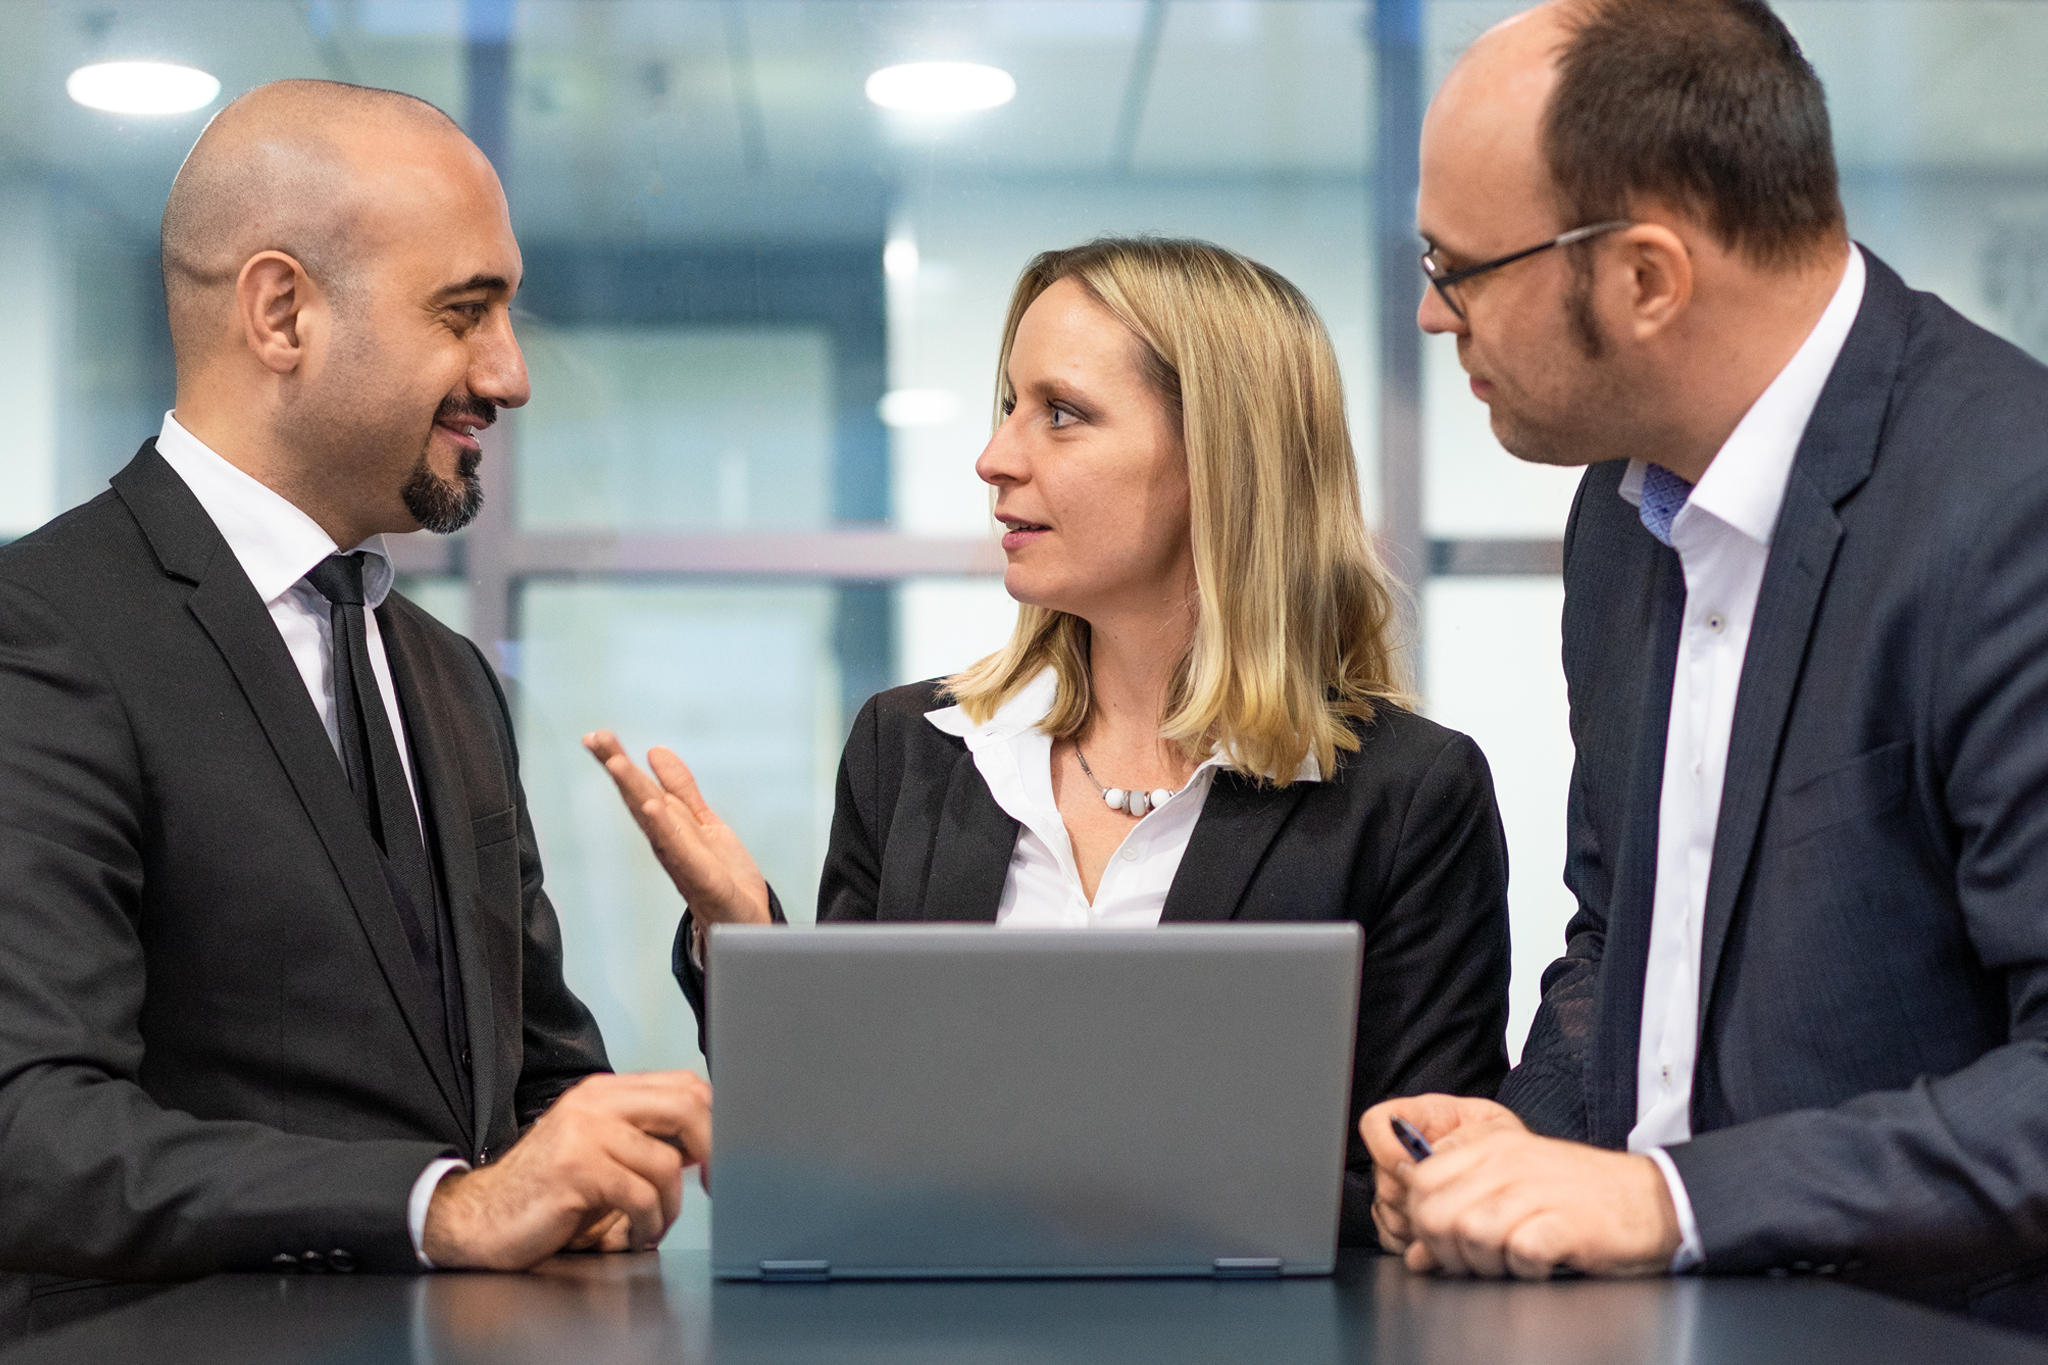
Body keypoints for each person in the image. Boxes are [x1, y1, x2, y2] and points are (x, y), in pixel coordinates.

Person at [586, 237, 1512, 1245]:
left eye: (1059, 414)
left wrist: (1060, 1198)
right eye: (1006, 407)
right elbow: (827, 1152)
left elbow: (1422, 1196)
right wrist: (743, 944)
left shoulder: (1408, 794)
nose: (995, 458)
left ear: (1219, 458)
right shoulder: (912, 752)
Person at [1360, 0, 2048, 1331]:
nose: (1430, 315)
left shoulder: (2007, 509)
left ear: (1646, 278)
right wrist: (1513, 1143)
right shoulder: (1622, 519)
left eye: (1455, 265)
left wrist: (1668, 1201)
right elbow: (1629, 939)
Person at [0, 80, 709, 1337]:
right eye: (465, 312)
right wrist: (443, 1208)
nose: (510, 373)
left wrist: (600, 1163)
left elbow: (535, 1077)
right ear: (280, 313)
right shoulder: (41, 629)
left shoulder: (447, 677)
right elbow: (30, 1127)